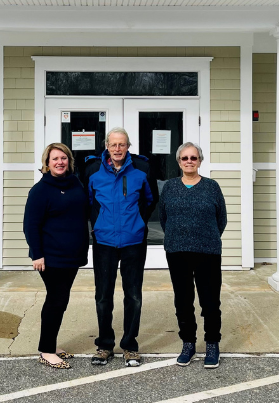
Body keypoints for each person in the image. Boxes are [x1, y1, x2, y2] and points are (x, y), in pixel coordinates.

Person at [85, 127, 158, 367]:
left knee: (133, 296)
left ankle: (129, 346)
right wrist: (98, 224)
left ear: (128, 147)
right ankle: (105, 345)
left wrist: (136, 223)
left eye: (122, 145)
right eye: (113, 145)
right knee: (104, 296)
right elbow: (88, 202)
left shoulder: (141, 169)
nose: (118, 149)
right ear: (107, 146)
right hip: (104, 242)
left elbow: (150, 200)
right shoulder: (93, 170)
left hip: (133, 242)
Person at [159, 142, 227, 369]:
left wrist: (206, 237)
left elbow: (221, 219)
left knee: (210, 301)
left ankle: (212, 344)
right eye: (185, 158)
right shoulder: (169, 187)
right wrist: (177, 236)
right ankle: (188, 343)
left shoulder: (211, 187)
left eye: (193, 158)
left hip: (207, 251)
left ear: (200, 161)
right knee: (183, 300)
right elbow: (163, 218)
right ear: (179, 162)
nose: (189, 161)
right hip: (177, 251)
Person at [23, 142, 89, 369]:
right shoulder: (41, 190)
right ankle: (46, 350)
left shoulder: (75, 184)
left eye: (63, 158)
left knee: (60, 301)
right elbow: (31, 225)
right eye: (55, 159)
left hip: (71, 255)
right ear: (47, 163)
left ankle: (50, 343)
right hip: (51, 257)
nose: (59, 162)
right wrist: (37, 254)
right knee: (55, 300)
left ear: (69, 161)